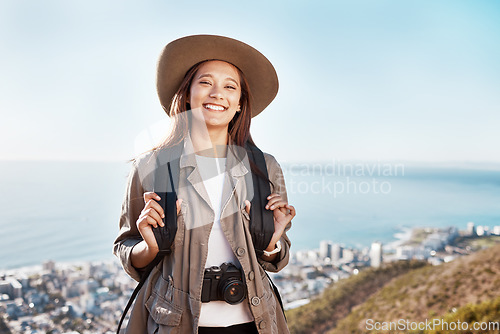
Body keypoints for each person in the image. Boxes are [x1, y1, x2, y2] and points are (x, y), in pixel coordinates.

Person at [114, 34, 295, 334]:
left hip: (255, 323)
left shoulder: (265, 168)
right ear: (187, 94)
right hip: (177, 325)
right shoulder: (151, 167)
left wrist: (274, 241)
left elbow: (277, 258)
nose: (217, 93)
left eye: (229, 86)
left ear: (239, 103)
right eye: (205, 82)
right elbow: (125, 247)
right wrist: (148, 245)